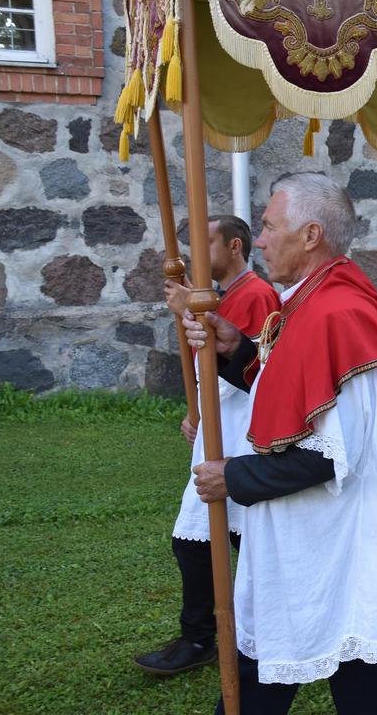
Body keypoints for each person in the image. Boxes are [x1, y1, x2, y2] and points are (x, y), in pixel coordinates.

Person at [182, 174, 377, 713]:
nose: (262, 239)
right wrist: (236, 350)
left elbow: (335, 449)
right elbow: (294, 395)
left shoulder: (337, 314)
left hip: (334, 531)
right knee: (331, 658)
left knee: (348, 658)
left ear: (311, 234)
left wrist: (235, 477)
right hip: (314, 529)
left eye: (271, 227)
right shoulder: (312, 302)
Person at [134, 215, 280, 677]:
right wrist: (196, 411)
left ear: (234, 246)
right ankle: (216, 633)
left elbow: (251, 368)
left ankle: (204, 636)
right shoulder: (221, 296)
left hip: (238, 430)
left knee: (205, 539)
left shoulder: (255, 294)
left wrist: (186, 311)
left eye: (206, 243)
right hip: (219, 426)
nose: (197, 255)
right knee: (222, 537)